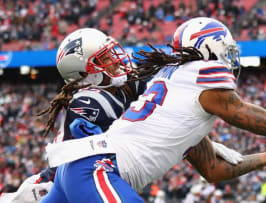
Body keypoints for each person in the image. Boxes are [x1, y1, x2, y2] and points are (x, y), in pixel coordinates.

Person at [44, 17, 266, 202]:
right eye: (227, 51)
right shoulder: (201, 75)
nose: (230, 59)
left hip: (83, 172)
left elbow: (213, 170)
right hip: (95, 169)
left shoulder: (173, 93)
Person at [3, 28, 244, 203]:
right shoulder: (89, 104)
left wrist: (202, 139)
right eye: (104, 58)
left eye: (111, 53)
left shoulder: (131, 84)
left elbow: (170, 113)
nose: (116, 60)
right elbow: (80, 159)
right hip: (61, 180)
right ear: (86, 74)